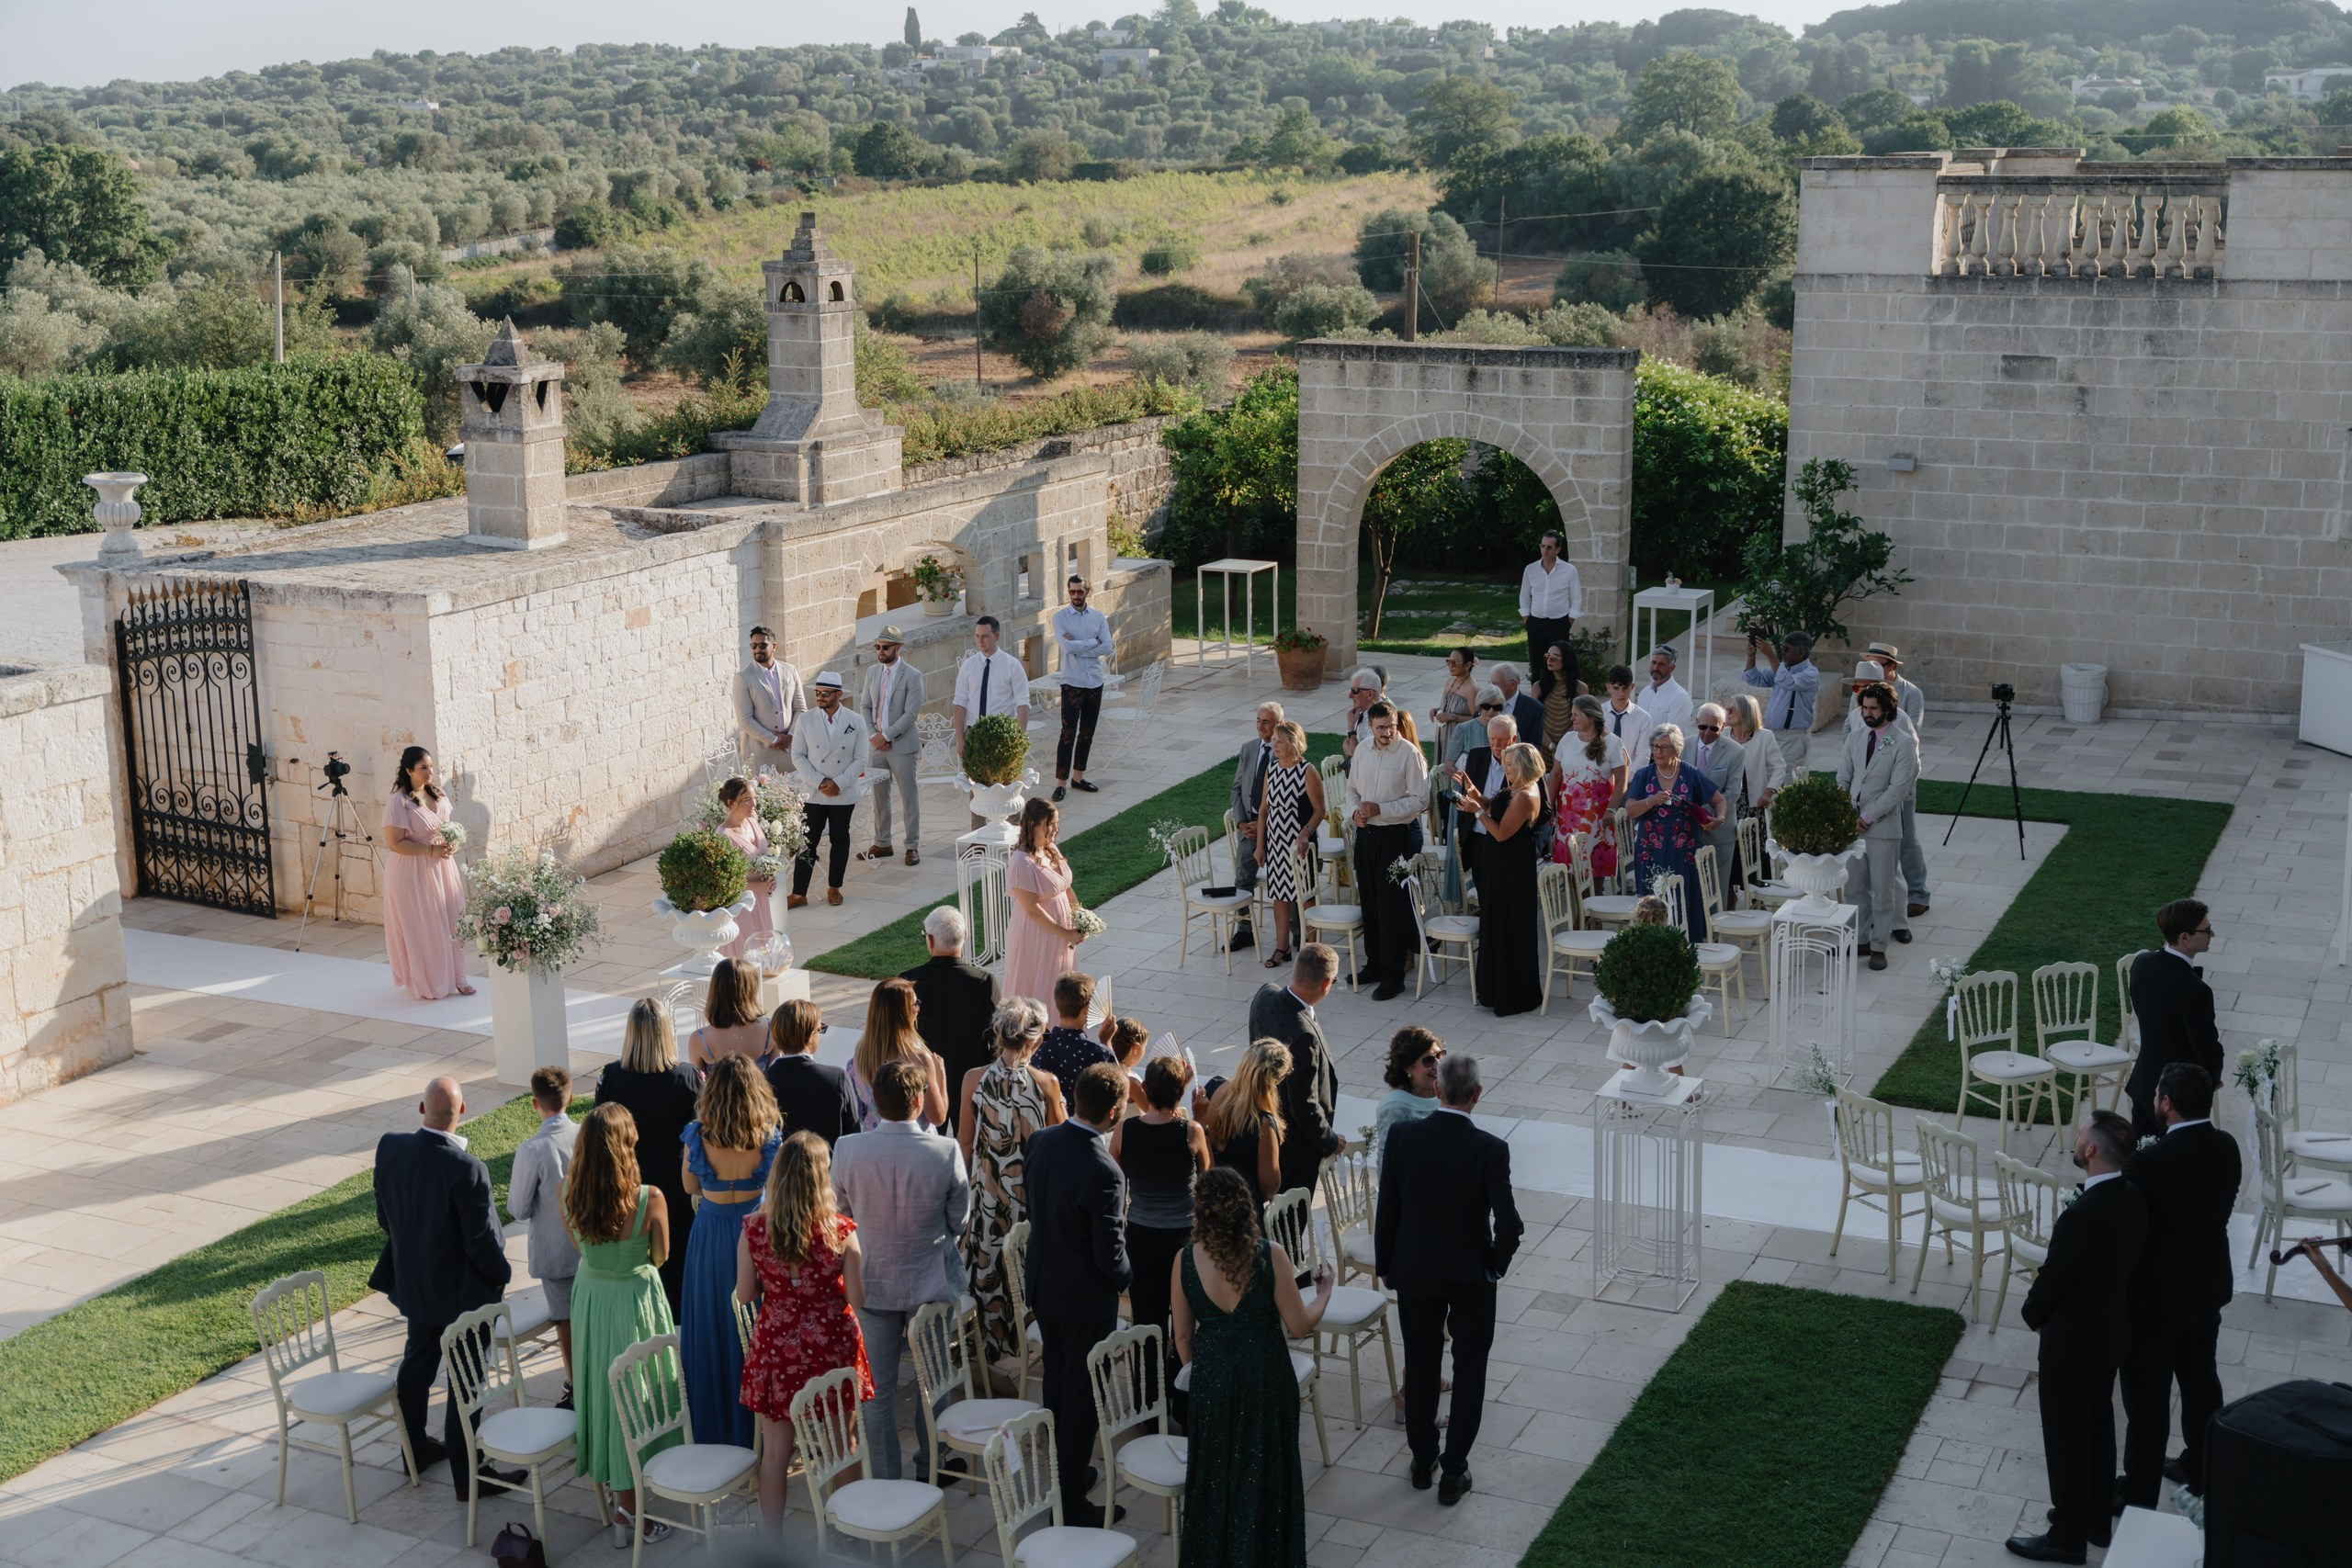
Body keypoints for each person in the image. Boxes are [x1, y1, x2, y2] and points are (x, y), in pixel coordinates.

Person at [1376, 1055, 1522, 1506]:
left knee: (1421, 1365)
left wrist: (1386, 1264)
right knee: (1469, 1369)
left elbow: (1388, 1207)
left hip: (1415, 1271)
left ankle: (1423, 1462)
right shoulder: (1490, 1149)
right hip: (1469, 1276)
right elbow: (1509, 1225)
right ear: (1476, 1094)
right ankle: (1454, 1470)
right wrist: (1494, 1265)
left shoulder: (1403, 1136)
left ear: (1437, 1090)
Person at [1173, 1166, 1335, 1568]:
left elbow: (1182, 1336)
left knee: (1215, 1479)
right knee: (1267, 1475)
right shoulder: (1270, 1255)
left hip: (1212, 1380)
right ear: (1245, 1207)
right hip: (1265, 1378)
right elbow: (1298, 1325)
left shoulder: (1184, 1261)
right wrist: (1324, 1293)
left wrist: (1205, 1373)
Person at [2008, 1111, 2147, 1565]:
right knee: (2099, 1429)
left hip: (2072, 1343)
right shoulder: (2132, 1197)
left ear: (2091, 1149)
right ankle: (2094, 1521)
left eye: (2081, 1132)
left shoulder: (2082, 1214)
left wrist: (2033, 1314)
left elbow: (2055, 1278)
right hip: (2109, 1334)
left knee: (2066, 1438)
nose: (2076, 1136)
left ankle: (2067, 1538)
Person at [369, 1076, 516, 1495]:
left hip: (417, 1287)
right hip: (461, 1298)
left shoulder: (390, 1148)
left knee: (416, 1368)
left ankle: (414, 1451)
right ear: (463, 1111)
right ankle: (469, 1478)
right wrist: (502, 1276)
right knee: (465, 1384)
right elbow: (481, 1244)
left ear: (421, 1109)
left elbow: (384, 1216)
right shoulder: (467, 1169)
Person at [833, 1056, 970, 1482]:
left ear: (875, 1100)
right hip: (929, 1282)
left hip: (871, 1282)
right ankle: (932, 1467)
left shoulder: (848, 1149)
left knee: (877, 1392)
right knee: (934, 1382)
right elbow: (959, 1219)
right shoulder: (945, 1151)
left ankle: (886, 1481)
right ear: (918, 1100)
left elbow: (840, 1216)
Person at [2118, 1063, 2242, 1508]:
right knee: (2200, 1380)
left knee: (2148, 1399)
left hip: (2157, 1299)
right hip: (2207, 1286)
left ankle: (2139, 1491)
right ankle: (2203, 1467)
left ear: (2166, 1103)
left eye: (2156, 1093)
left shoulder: (2149, 1162)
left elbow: (2129, 1224)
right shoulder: (2226, 1147)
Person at [737, 1130, 871, 1536]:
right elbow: (858, 1299)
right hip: (830, 1346)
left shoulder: (754, 1230)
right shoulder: (840, 1231)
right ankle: (849, 1532)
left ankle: (772, 1542)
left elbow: (744, 1294)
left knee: (775, 1454)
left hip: (776, 1348)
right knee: (842, 1444)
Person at [1022, 1062, 1134, 1526]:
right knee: (1083, 1397)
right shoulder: (1105, 1170)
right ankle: (1069, 1501)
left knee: (1057, 1383)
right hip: (1084, 1299)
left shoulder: (1041, 1141)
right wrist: (1130, 1277)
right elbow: (1110, 1254)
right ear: (1113, 1112)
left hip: (1044, 1284)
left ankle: (1063, 1473)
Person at [565, 1103, 677, 1548]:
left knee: (602, 1390)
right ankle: (630, 1508)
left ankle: (617, 1492)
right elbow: (661, 1256)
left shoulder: (566, 1193)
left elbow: (580, 1245)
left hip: (592, 1299)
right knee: (636, 1395)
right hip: (633, 1301)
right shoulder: (649, 1198)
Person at [679, 1055, 783, 1450]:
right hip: (755, 1235)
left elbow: (690, 1186)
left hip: (709, 1236)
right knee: (754, 1330)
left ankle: (715, 1427)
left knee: (711, 1328)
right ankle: (756, 1427)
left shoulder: (697, 1136)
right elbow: (776, 1187)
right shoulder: (769, 1136)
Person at [959, 998, 1064, 1366]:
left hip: (987, 1195)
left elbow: (965, 1142)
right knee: (1026, 1267)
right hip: (1031, 1196)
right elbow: (1061, 1142)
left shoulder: (973, 1079)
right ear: (1033, 1041)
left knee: (987, 1265)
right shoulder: (1047, 1083)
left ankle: (987, 1347)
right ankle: (1025, 1340)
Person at [594, 999, 703, 1318]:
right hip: (676, 1187)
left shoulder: (611, 1076)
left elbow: (599, 1133)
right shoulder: (689, 1076)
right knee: (676, 1266)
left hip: (627, 1184)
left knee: (635, 1265)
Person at [1113, 1055, 1212, 1346]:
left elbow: (1113, 1181)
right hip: (1183, 1237)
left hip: (1141, 1235)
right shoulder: (1191, 1131)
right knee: (1185, 1317)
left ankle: (1149, 1371)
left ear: (1143, 1088)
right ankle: (1181, 1370)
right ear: (1180, 1093)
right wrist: (1200, 1119)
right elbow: (1208, 1179)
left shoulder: (1124, 1130)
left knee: (1146, 1316)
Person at [505, 1066, 581, 1405]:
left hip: (555, 1251)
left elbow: (518, 1208)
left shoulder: (532, 1149)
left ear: (535, 1103)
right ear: (571, 1098)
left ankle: (576, 1387)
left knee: (566, 1321)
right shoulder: (586, 1134)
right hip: (592, 1246)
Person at [1347, 701, 1430, 1000]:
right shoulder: (1362, 750)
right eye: (1381, 727)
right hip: (1366, 836)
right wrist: (1354, 812)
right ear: (1370, 726)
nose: (1387, 733)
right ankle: (1374, 965)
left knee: (1391, 907)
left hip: (1396, 837)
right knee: (1370, 902)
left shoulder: (1409, 754)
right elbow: (1351, 790)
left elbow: (1421, 800)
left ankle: (1394, 976)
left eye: (1391, 727)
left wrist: (1381, 809)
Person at [1457, 742, 1545, 1018]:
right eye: (1505, 764)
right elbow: (1495, 807)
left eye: (1510, 764)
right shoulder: (1515, 787)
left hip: (1512, 871)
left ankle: (1513, 995)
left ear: (1524, 766)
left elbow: (1501, 832)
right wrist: (1474, 793)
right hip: (1499, 867)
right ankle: (1493, 989)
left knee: (1509, 926)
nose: (1505, 768)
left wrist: (1477, 812)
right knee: (1496, 923)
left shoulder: (1527, 794)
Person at [1837, 682, 1919, 972]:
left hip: (1883, 828)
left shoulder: (1903, 743)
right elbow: (1843, 778)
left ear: (1888, 709)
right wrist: (1848, 814)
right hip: (1852, 828)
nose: (1868, 713)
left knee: (1883, 890)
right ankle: (1859, 939)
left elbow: (1898, 789)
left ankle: (1879, 946)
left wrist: (1868, 816)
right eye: (1865, 708)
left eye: (1874, 708)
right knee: (1854, 888)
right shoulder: (1856, 737)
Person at [1249, 944, 1343, 1194]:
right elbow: (1303, 1104)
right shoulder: (1304, 1036)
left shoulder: (1264, 994)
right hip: (1296, 1151)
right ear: (1326, 984)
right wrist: (1329, 1140)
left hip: (1263, 1124)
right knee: (1291, 1215)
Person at [381, 745, 472, 1000]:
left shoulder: (438, 793)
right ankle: (431, 983)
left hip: (442, 867)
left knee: (453, 919)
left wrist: (453, 842)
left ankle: (458, 977)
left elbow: (448, 826)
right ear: (409, 770)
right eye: (423, 767)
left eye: (431, 766)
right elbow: (394, 843)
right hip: (413, 872)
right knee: (426, 927)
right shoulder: (398, 803)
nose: (430, 771)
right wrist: (430, 851)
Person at [2125, 901, 2222, 1137]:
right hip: (2177, 1097)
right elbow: (2205, 1046)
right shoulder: (2195, 989)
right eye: (2206, 930)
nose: (2212, 935)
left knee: (2143, 1154)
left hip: (2144, 1084)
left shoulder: (2142, 963)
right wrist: (2211, 1078)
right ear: (2184, 937)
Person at [901, 907, 1001, 1134]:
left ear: (930, 940)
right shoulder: (984, 982)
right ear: (965, 936)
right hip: (970, 1082)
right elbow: (997, 1039)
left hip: (921, 1083)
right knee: (969, 1146)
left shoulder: (908, 981)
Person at [1623, 724, 1725, 940]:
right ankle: (1652, 945)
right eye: (1654, 746)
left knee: (1685, 899)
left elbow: (1719, 800)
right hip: (1651, 852)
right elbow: (1630, 810)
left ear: (1677, 749)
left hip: (1684, 852)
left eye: (1664, 747)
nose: (1658, 752)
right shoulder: (1644, 775)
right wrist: (1651, 801)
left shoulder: (1690, 774)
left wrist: (1719, 819)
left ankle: (1687, 944)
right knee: (1652, 903)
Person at [787, 671, 867, 909]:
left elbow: (861, 759)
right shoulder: (805, 720)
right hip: (814, 792)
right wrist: (820, 781)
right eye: (817, 693)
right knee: (807, 841)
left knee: (839, 839)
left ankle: (834, 888)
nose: (820, 697)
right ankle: (799, 893)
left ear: (838, 694)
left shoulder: (855, 721)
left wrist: (838, 783)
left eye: (825, 693)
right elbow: (797, 755)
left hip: (843, 792)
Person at [1864, 641, 1931, 918]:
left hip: (1901, 778)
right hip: (1871, 780)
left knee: (1907, 838)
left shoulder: (1912, 694)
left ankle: (1918, 894)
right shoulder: (1865, 694)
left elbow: (1908, 734)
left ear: (1892, 666)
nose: (1872, 669)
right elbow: (1850, 733)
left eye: (1877, 664)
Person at [1251, 719, 1326, 967]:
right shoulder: (1272, 769)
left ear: (1293, 744)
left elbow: (1320, 810)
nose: (1274, 745)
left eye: (1279, 742)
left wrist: (1305, 833)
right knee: (1280, 896)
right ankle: (1281, 948)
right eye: (1273, 741)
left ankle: (1314, 953)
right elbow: (1263, 810)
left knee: (1306, 897)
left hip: (1299, 848)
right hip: (1275, 844)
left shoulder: (1307, 771)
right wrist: (1260, 845)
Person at [1004, 797, 1087, 1005]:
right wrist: (1066, 933)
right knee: (1039, 985)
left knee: (1061, 986)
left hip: (1061, 933)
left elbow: (1066, 888)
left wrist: (1081, 919)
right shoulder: (1021, 862)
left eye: (1057, 823)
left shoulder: (1051, 849)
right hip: (1036, 934)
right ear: (1033, 824)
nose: (1056, 829)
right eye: (1050, 824)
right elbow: (1032, 910)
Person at [857, 625, 926, 868]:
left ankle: (912, 845)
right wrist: (874, 735)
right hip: (876, 746)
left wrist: (886, 735)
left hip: (902, 746)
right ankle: (883, 842)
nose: (880, 651)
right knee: (879, 797)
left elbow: (911, 714)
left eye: (885, 647)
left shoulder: (913, 676)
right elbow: (865, 705)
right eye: (877, 647)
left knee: (909, 797)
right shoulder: (872, 672)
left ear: (898, 648)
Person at [848, 976, 950, 1132]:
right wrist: (940, 1076)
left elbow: (860, 1112)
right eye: (915, 1004)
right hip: (915, 1141)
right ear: (902, 1013)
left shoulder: (859, 1057)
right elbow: (938, 1117)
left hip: (876, 1139)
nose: (918, 1008)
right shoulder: (920, 1059)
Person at [1434, 690, 1502, 905]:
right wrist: (1468, 784)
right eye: (1485, 706)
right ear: (1478, 707)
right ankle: (1462, 897)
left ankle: (1490, 897)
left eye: (1497, 707)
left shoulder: (1508, 731)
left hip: (1497, 799)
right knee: (1464, 845)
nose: (1491, 711)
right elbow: (1448, 764)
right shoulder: (1464, 729)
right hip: (1467, 797)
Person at [1549, 695, 1627, 877]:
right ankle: (1572, 897)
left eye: (1576, 715)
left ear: (1591, 717)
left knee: (1592, 868)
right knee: (1568, 868)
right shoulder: (1567, 739)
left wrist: (1611, 810)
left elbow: (1622, 780)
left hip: (1597, 818)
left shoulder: (1614, 743)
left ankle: (1593, 897)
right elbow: (1555, 774)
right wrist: (1548, 805)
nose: (1571, 719)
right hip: (1567, 816)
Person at [763, 998, 859, 1146]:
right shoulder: (837, 1078)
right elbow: (853, 1134)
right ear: (810, 1036)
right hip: (828, 1160)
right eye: (819, 1030)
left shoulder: (762, 1082)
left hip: (780, 1161)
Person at [1227, 702, 1284, 952]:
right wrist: (1242, 823)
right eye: (1258, 721)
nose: (1260, 726)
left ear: (1278, 725)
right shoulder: (1249, 749)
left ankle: (1294, 932)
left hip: (1276, 827)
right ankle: (1244, 930)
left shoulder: (1285, 751)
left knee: (1286, 880)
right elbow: (1237, 789)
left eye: (1266, 722)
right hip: (1249, 826)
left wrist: (1265, 826)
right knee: (1243, 878)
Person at [1052, 574, 1114, 801]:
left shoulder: (1098, 617)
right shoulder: (1059, 618)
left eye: (1080, 591)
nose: (1076, 595)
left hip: (1095, 682)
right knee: (1067, 733)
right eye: (1072, 591)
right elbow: (1067, 647)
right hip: (1072, 683)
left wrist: (1081, 646)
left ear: (1087, 591)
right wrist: (1092, 642)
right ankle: (1061, 783)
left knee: (1087, 732)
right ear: (1068, 592)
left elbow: (1107, 646)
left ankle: (1078, 778)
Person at [1206, 1039, 1289, 1208]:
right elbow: (1270, 1184)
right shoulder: (1264, 1123)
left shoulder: (1214, 1087)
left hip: (1210, 1202)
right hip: (1244, 1209)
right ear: (1277, 1079)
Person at [1724, 694, 1790, 894]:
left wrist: (1768, 792)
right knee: (1730, 852)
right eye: (1727, 708)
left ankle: (1757, 898)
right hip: (1728, 804)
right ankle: (1730, 899)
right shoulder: (1724, 735)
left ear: (1745, 712)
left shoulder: (1764, 737)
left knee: (1753, 853)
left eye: (1732, 709)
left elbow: (1779, 767)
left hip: (1752, 805)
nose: (1727, 712)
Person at [1451, 712, 1516, 900]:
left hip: (1505, 840)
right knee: (1483, 894)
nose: (1496, 745)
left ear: (1512, 739)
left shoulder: (1522, 763)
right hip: (1478, 837)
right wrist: (1463, 838)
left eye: (1501, 740)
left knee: (1502, 896)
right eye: (1492, 739)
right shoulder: (1476, 755)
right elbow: (1468, 797)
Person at [1687, 705, 1746, 908]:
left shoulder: (1736, 751)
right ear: (1696, 723)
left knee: (1716, 887)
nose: (1707, 732)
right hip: (1686, 828)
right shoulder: (1683, 745)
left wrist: (1705, 815)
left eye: (1714, 728)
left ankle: (1714, 925)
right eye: (1703, 727)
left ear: (1723, 727)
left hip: (1719, 829)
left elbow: (1732, 792)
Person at [1741, 627, 1821, 774]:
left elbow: (1788, 682)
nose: (1782, 652)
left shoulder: (1810, 673)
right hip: (1772, 734)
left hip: (1793, 737)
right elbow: (1754, 678)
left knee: (1789, 779)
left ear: (1801, 653)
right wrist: (1751, 656)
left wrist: (1770, 654)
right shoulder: (1783, 668)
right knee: (1766, 778)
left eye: (1787, 650)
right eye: (1782, 648)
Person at [715, 777, 776, 962]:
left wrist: (770, 876)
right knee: (747, 956)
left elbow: (764, 855)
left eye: (754, 798)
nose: (753, 804)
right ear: (730, 803)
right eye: (747, 800)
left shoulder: (752, 822)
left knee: (765, 951)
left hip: (761, 900)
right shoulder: (723, 836)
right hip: (741, 905)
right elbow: (722, 881)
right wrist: (756, 887)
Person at [734, 625, 808, 769]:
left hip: (789, 750)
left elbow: (801, 709)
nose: (757, 649)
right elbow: (745, 720)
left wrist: (791, 736)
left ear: (774, 646)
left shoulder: (790, 671)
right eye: (754, 646)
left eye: (762, 645)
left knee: (795, 784)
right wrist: (774, 740)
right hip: (759, 754)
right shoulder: (743, 677)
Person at [951, 615, 1031, 749]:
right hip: (974, 733)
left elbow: (1023, 704)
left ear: (997, 636)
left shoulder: (1012, 666)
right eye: (977, 636)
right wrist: (960, 740)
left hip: (1002, 734)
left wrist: (1018, 741)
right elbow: (960, 703)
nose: (980, 641)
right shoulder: (968, 666)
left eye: (985, 636)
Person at [1035, 970, 1114, 1099]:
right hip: (1085, 1112)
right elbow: (1118, 1090)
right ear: (1087, 1009)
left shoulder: (1038, 1047)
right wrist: (1106, 1042)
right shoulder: (1098, 1053)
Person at [1374, 1027, 1445, 1162]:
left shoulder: (1445, 1093)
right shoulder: (1395, 1108)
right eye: (1428, 1060)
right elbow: (1387, 1160)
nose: (1437, 1065)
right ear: (1407, 1066)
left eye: (1439, 1056)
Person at [1518, 531, 1581, 680]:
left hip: (1559, 623)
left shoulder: (1569, 570)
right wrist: (1527, 620)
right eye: (1542, 546)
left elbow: (1576, 599)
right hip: (1536, 623)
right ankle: (1537, 692)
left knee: (1557, 665)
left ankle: (1557, 692)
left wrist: (1568, 623)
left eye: (1549, 547)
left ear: (1558, 550)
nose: (1545, 550)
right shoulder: (1531, 569)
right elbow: (1524, 596)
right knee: (1537, 664)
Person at [686, 957, 769, 1069]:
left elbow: (697, 1079)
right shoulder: (770, 1028)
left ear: (715, 990)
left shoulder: (699, 1039)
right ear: (751, 990)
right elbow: (777, 1075)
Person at [1428, 648, 1478, 757]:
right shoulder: (1449, 682)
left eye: (1455, 662)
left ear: (1467, 665)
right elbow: (1448, 707)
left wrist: (1452, 717)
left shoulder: (1472, 689)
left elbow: (1477, 720)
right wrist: (1436, 711)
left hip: (1459, 740)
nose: (1450, 666)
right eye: (1448, 661)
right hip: (1443, 736)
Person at [1640, 645, 1694, 745]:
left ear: (1672, 668)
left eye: (1661, 664)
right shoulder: (1644, 693)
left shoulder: (1680, 697)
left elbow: (1674, 737)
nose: (1655, 668)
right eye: (1654, 662)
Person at [1600, 663, 1652, 762]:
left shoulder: (1643, 718)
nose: (1621, 693)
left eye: (1625, 688)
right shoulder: (1598, 714)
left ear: (1632, 687)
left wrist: (1624, 772)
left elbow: (1642, 757)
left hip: (1631, 771)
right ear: (1608, 687)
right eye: (1616, 688)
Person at [1534, 642, 1577, 762]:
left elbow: (1580, 720)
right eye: (1548, 656)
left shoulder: (1579, 688)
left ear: (1567, 659)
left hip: (1569, 747)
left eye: (1554, 657)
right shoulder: (1538, 687)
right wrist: (1551, 745)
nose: (1550, 660)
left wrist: (1561, 745)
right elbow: (1535, 720)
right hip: (1542, 748)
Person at [1491, 662, 1542, 750]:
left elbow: (1534, 747)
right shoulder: (1486, 704)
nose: (1492, 688)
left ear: (1513, 685)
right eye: (1491, 683)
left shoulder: (1534, 708)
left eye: (1496, 684)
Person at [1338, 667, 1383, 763]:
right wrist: (1352, 741)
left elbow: (1360, 757)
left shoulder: (1379, 719)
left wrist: (1351, 729)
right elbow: (1346, 744)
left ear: (1370, 694)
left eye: (1355, 691)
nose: (1350, 696)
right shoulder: (1363, 712)